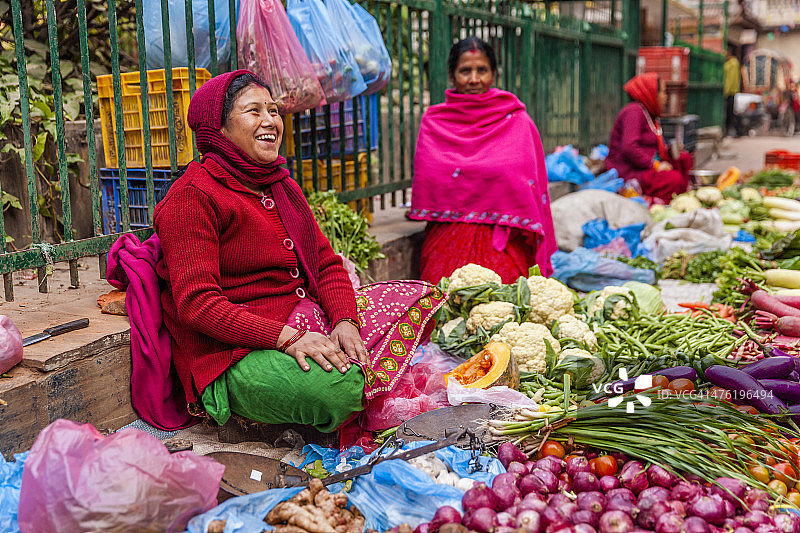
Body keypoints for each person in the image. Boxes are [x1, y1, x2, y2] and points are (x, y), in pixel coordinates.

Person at [153, 70, 444, 433]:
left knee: (421, 299)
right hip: (234, 352)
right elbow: (199, 305)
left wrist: (344, 321)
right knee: (342, 389)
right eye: (253, 111)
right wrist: (287, 338)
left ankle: (341, 382)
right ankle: (254, 411)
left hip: (303, 318)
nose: (270, 121)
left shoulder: (279, 184)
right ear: (220, 129)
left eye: (273, 110)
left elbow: (325, 263)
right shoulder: (191, 197)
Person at [408, 37, 557, 284]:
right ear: (452, 76)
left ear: (494, 75)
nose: (474, 79)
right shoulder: (435, 122)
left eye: (482, 70)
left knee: (505, 309)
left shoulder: (516, 120)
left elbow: (527, 184)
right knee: (438, 308)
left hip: (502, 243)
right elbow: (431, 177)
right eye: (465, 71)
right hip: (448, 238)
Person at [606, 73, 693, 204]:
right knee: (673, 179)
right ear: (651, 92)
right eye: (663, 92)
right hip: (630, 172)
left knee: (684, 159)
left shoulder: (648, 114)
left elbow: (650, 148)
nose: (665, 97)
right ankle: (658, 204)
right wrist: (655, 165)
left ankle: (679, 199)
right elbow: (629, 147)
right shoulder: (633, 111)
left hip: (644, 167)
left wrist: (668, 152)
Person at [724, 48, 742, 137]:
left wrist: (726, 92)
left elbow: (730, 80)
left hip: (730, 91)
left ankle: (737, 131)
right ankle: (736, 131)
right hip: (730, 91)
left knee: (730, 112)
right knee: (730, 112)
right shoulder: (730, 63)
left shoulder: (733, 63)